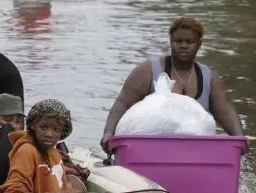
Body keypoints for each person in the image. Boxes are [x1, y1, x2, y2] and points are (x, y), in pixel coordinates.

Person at [99, 16, 247, 154]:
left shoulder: (209, 78)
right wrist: (108, 133)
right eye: (178, 41)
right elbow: (122, 103)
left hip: (195, 152)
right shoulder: (147, 71)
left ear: (199, 44)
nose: (183, 46)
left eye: (189, 42)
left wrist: (240, 138)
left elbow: (226, 111)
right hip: (150, 150)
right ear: (170, 41)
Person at [0, 99, 83, 193]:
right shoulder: (26, 151)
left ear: (62, 131)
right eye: (44, 127)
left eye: (56, 129)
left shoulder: (54, 153)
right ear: (33, 125)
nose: (49, 134)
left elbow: (61, 188)